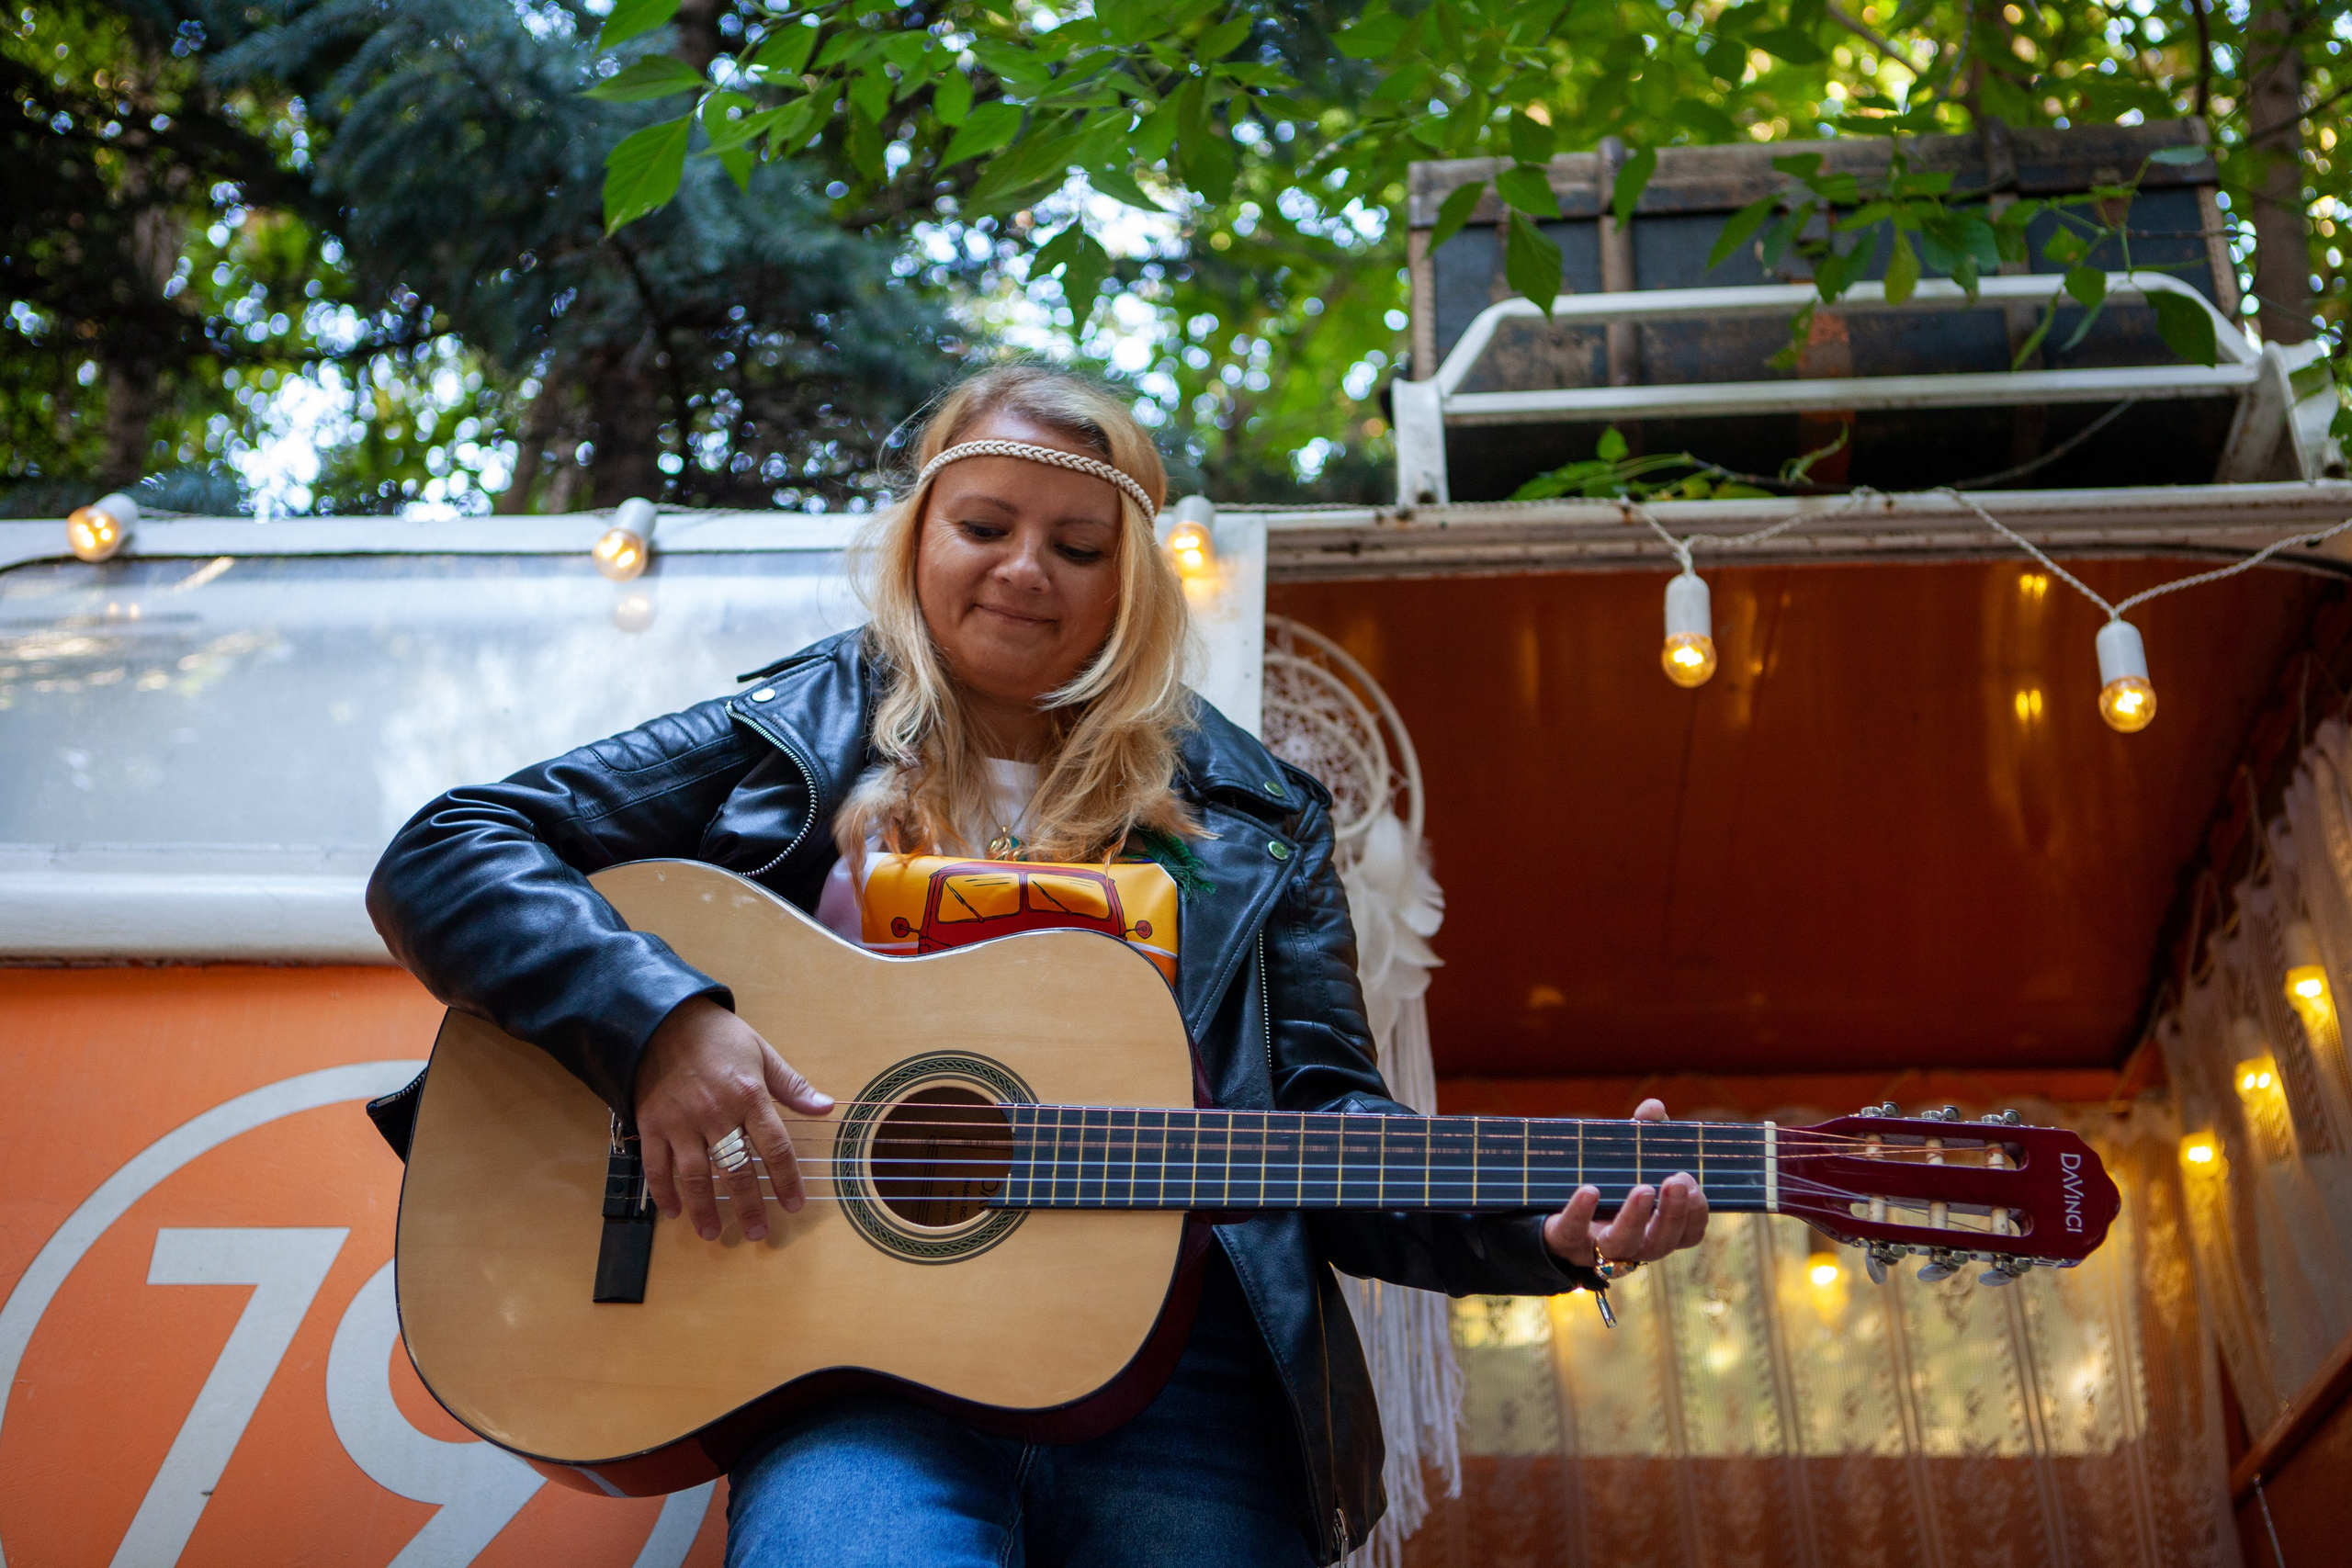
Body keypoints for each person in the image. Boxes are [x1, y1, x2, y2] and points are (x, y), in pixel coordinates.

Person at [366, 366, 1709, 1568]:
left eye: (1077, 544)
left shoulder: (1259, 814)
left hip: (1188, 1383)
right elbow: (450, 849)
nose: (1025, 570)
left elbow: (1321, 1128)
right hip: (858, 1377)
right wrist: (660, 1026)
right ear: (916, 540)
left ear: (1133, 580)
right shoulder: (792, 729)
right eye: (983, 527)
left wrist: (1531, 1231)